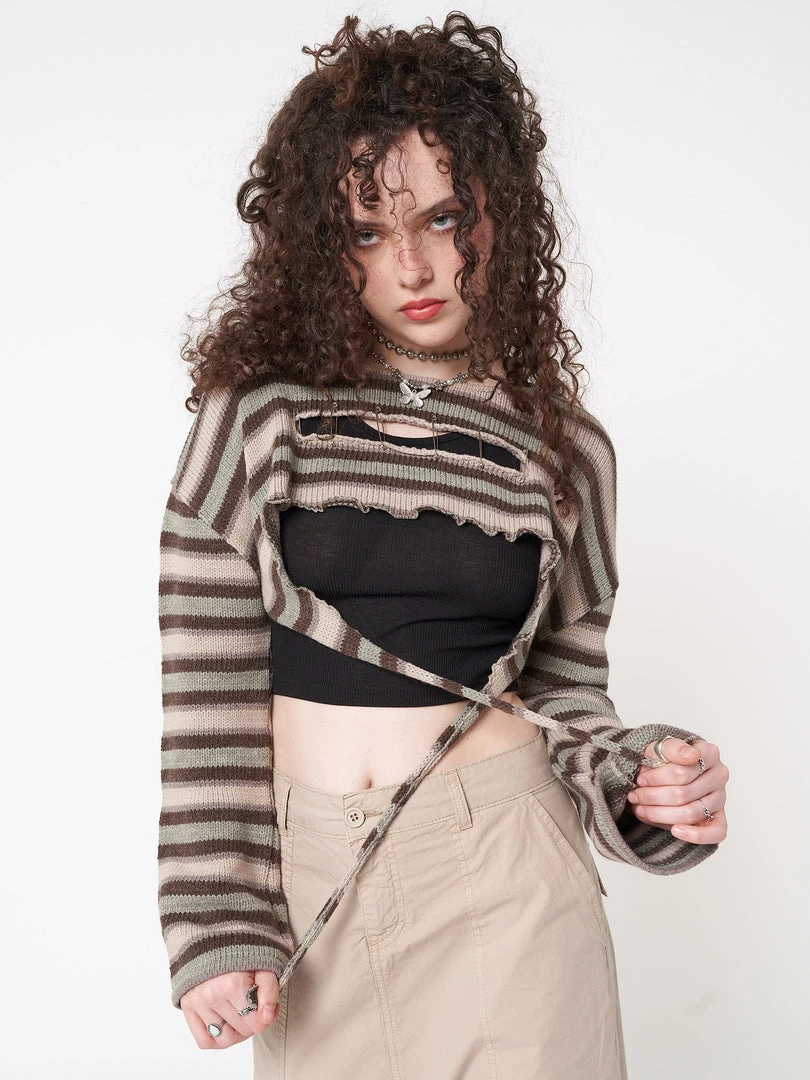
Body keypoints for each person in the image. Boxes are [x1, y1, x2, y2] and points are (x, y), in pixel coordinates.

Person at [157, 12, 729, 1078]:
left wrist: (647, 778)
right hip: (319, 892)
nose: (414, 264)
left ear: (499, 213)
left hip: (512, 877)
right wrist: (214, 919)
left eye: (444, 218)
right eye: (369, 233)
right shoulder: (258, 420)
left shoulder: (565, 450)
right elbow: (206, 693)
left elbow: (562, 697)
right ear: (321, 247)